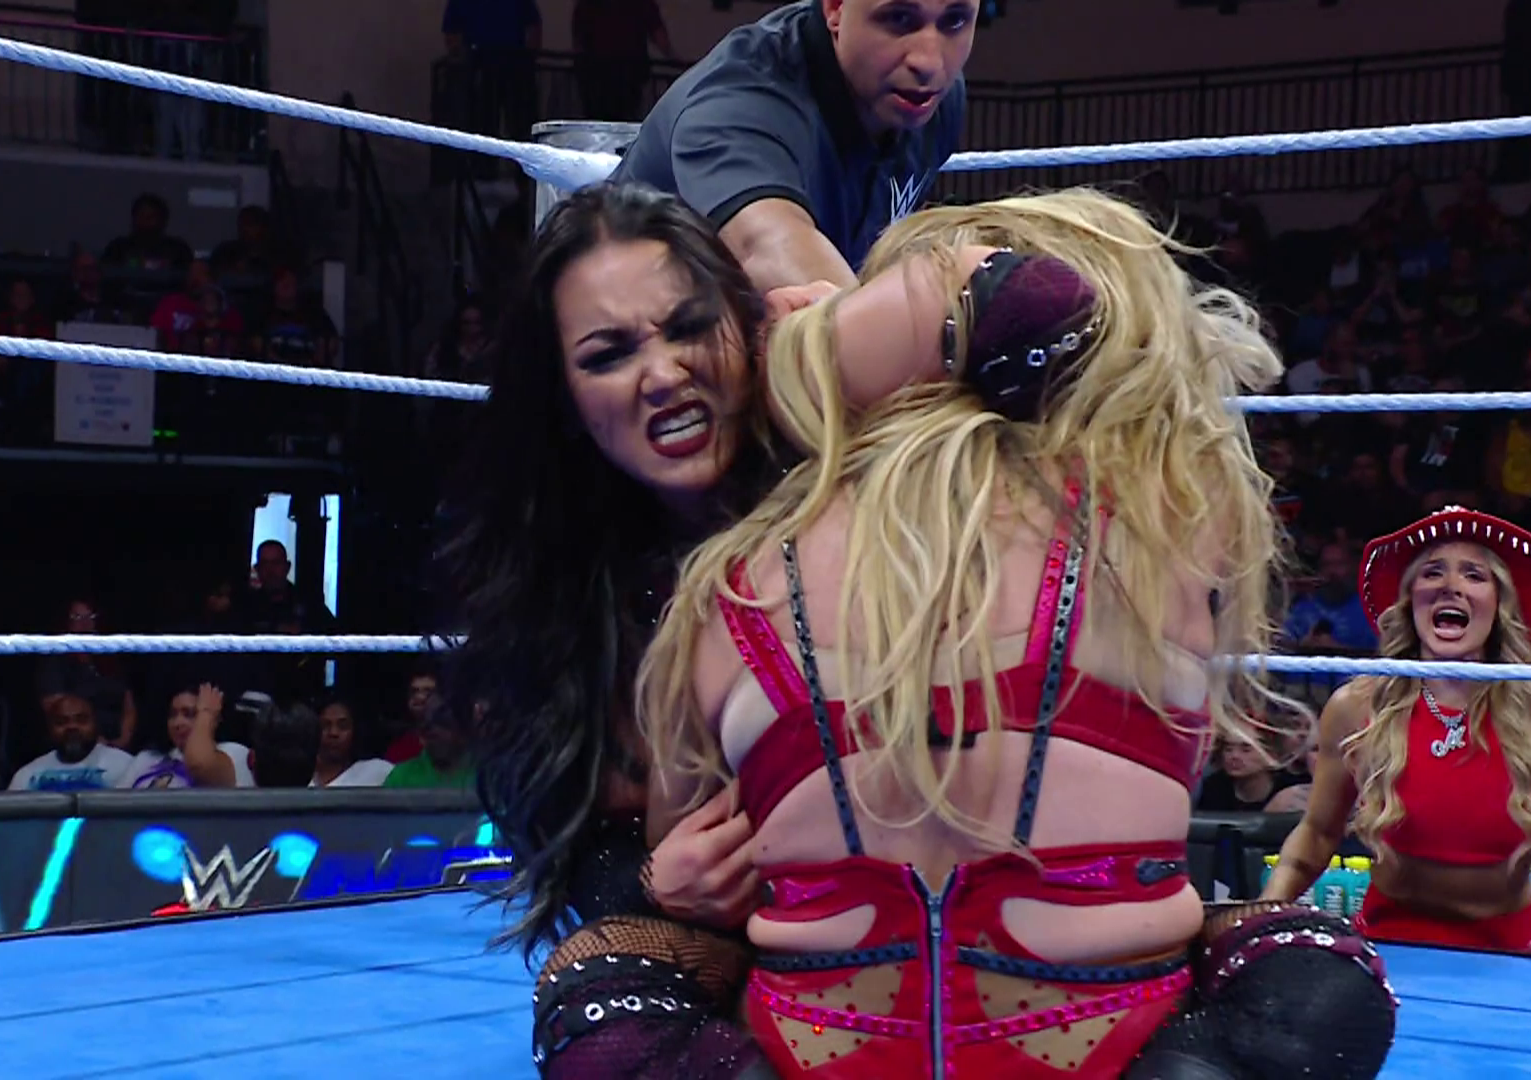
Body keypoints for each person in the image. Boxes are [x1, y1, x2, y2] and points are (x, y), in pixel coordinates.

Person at [637, 189, 1397, 1079]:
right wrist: (837, 334)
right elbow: (1068, 313)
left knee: (610, 974)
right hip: (1096, 1047)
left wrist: (801, 352)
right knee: (1312, 967)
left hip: (818, 1047)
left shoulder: (732, 580)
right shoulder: (1166, 518)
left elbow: (688, 877)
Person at [435, 182, 1132, 1078]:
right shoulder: (567, 596)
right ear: (564, 399)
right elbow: (568, 832)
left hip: (1002, 892)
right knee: (600, 1014)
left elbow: (1058, 314)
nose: (663, 374)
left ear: (748, 325)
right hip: (781, 954)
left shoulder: (856, 457)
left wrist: (846, 337)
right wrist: (652, 885)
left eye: (690, 327)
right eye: (609, 354)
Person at [1264, 507, 1531, 965]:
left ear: (1499, 604)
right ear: (1410, 600)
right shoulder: (1355, 705)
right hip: (1388, 946)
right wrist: (1264, 914)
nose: (1451, 585)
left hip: (1511, 952)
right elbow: (1315, 835)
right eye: (1433, 572)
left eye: (1474, 574)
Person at [612, 0, 972, 294]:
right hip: (628, 336)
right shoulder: (743, 100)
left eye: (955, 20)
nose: (929, 62)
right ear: (835, 7)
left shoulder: (933, 105)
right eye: (899, 18)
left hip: (741, 336)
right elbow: (768, 246)